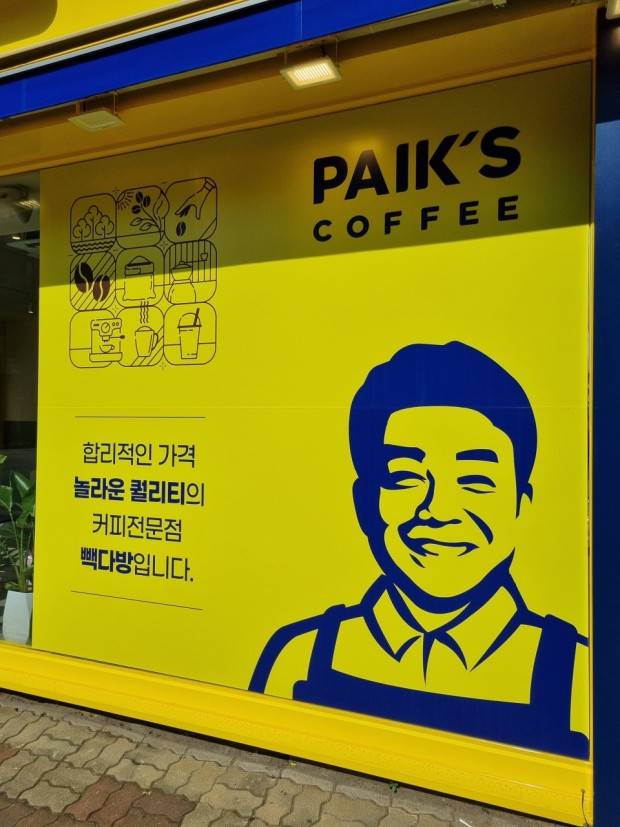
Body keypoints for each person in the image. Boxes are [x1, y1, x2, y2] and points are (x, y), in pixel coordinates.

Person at [249, 342, 588, 758]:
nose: (439, 510)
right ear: (364, 504)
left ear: (522, 506)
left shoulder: (575, 673)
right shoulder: (303, 655)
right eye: (405, 477)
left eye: (475, 481)